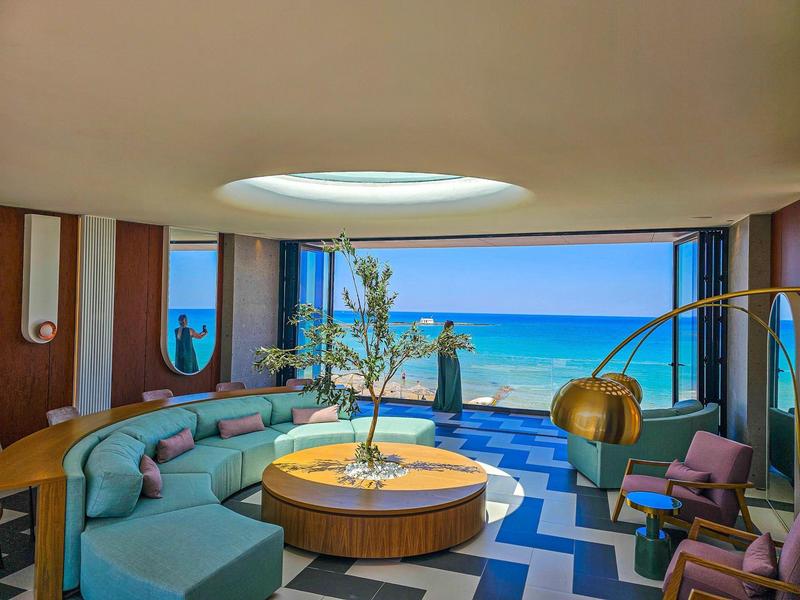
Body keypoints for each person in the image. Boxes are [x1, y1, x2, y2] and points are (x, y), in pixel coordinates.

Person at [433, 320, 463, 412]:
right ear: (450, 327)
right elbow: (451, 349)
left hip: (443, 362)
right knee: (452, 380)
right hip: (451, 362)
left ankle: (443, 402)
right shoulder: (448, 336)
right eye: (452, 327)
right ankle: (450, 404)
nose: (452, 329)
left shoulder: (440, 336)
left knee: (444, 380)